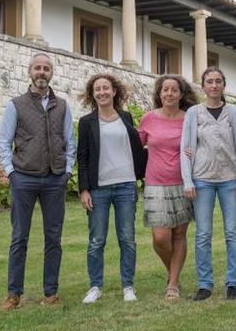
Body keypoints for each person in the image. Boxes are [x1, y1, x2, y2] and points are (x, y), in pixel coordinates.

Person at [0, 53, 76, 310]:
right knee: (19, 237)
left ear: (51, 73)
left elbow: (70, 141)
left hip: (55, 179)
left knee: (54, 238)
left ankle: (50, 293)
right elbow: (3, 142)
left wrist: (67, 171)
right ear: (30, 72)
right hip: (24, 179)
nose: (42, 72)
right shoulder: (15, 105)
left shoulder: (62, 105)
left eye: (46, 68)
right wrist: (11, 172)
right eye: (37, 68)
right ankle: (13, 294)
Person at [77, 74, 147, 304]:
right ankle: (95, 286)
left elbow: (138, 148)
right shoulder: (87, 122)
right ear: (92, 94)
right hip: (99, 189)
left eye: (106, 88)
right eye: (97, 89)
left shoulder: (126, 117)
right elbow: (83, 156)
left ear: (114, 91)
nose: (102, 92)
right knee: (97, 240)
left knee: (127, 238)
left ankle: (128, 285)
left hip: (126, 185)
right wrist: (84, 190)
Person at [180, 67, 236, 301]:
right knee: (203, 234)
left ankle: (233, 284)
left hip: (230, 179)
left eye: (218, 81)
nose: (214, 85)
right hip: (202, 180)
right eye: (210, 81)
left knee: (233, 233)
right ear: (203, 86)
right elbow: (186, 148)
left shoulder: (233, 113)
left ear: (223, 85)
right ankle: (205, 284)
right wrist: (187, 180)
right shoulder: (193, 113)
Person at [138, 74, 198, 300]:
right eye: (165, 90)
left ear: (181, 94)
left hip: (184, 183)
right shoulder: (149, 119)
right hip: (155, 184)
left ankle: (173, 283)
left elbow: (200, 143)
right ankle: (172, 270)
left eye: (174, 90)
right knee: (161, 237)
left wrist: (194, 152)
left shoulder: (189, 118)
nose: (170, 94)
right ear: (159, 93)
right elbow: (137, 145)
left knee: (179, 234)